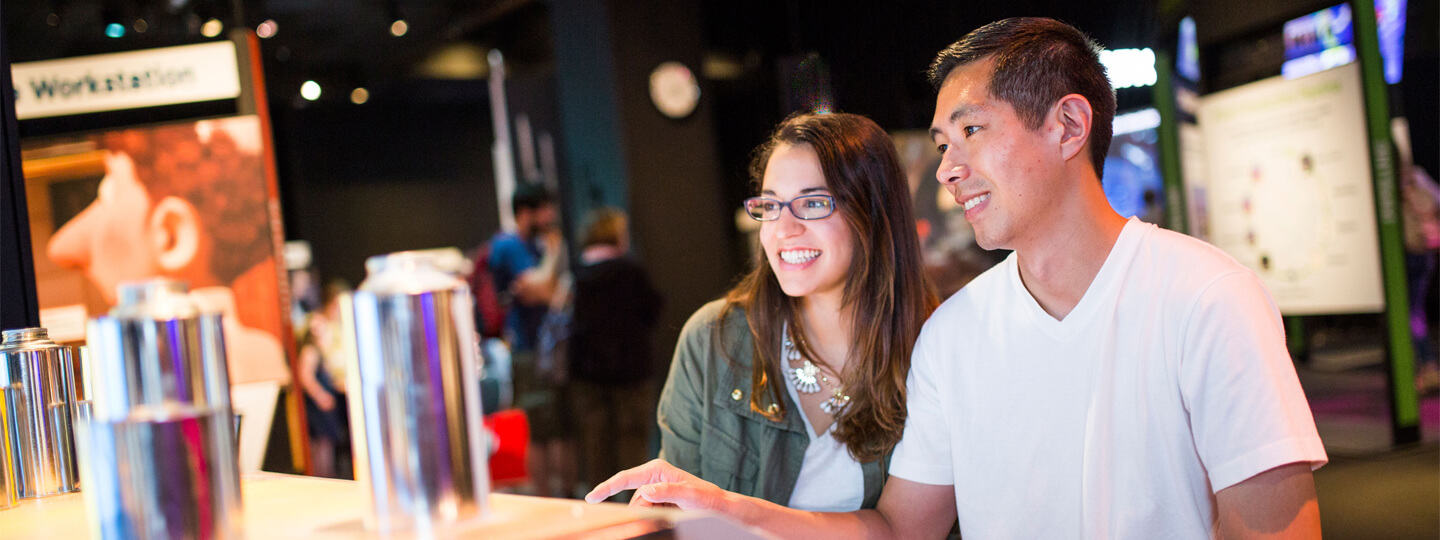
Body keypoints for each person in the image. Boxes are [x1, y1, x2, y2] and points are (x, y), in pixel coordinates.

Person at [588, 18, 1327, 539]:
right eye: (943, 142)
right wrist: (731, 507)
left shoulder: (1203, 296)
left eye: (972, 132)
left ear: (1068, 127)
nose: (947, 169)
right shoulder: (953, 335)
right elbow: (901, 530)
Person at [591, 112, 938, 510]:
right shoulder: (715, 338)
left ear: (874, 213)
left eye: (812, 203)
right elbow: (674, 509)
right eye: (770, 205)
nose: (783, 228)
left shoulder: (933, 349)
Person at [47, 118, 289, 386]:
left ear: (171, 234)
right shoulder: (259, 349)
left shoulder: (159, 361)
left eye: (107, 193)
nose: (63, 248)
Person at [566, 207, 664, 494]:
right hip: (632, 372)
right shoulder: (631, 272)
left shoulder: (578, 276)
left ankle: (602, 516)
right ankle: (637, 516)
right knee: (633, 447)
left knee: (597, 451)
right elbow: (653, 311)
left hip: (589, 377)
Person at [488, 181, 572, 497]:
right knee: (537, 429)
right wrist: (551, 257)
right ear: (526, 212)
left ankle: (565, 496)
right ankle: (544, 499)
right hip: (526, 349)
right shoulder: (507, 245)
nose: (551, 215)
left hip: (551, 347)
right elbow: (538, 287)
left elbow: (549, 294)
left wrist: (543, 284)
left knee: (561, 427)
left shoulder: (532, 246)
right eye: (545, 208)